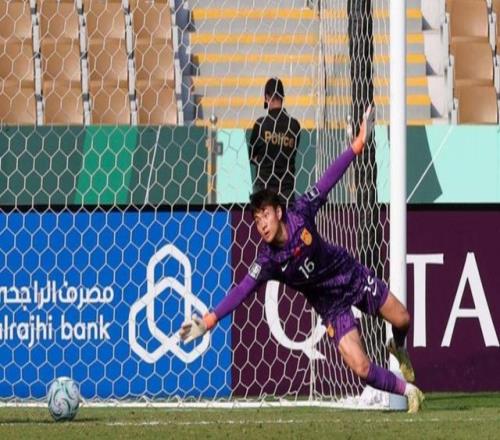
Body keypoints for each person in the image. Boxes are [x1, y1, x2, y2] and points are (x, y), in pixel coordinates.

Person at [179, 106, 424, 413]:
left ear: (279, 212)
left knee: (402, 319)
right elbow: (241, 290)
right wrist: (209, 320)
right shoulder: (267, 260)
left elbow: (328, 180)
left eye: (265, 215)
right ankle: (410, 391)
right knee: (361, 367)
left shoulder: (301, 212)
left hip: (351, 276)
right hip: (331, 306)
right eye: (257, 220)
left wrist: (358, 144)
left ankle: (398, 347)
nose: (262, 225)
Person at [249, 77, 301, 205]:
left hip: (264, 193)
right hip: (286, 193)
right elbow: (292, 154)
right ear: (282, 97)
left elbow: (251, 156)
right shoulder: (294, 126)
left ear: (267, 97)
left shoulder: (261, 124)